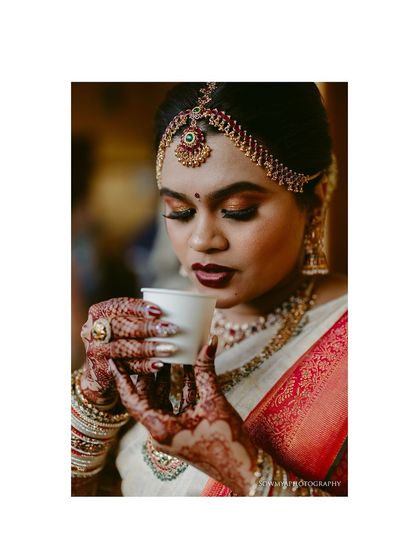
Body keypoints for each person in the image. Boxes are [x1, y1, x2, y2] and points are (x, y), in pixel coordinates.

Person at [71, 82, 348, 497]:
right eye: (179, 211)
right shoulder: (166, 328)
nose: (202, 239)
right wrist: (92, 397)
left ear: (315, 200)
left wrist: (245, 470)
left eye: (239, 211)